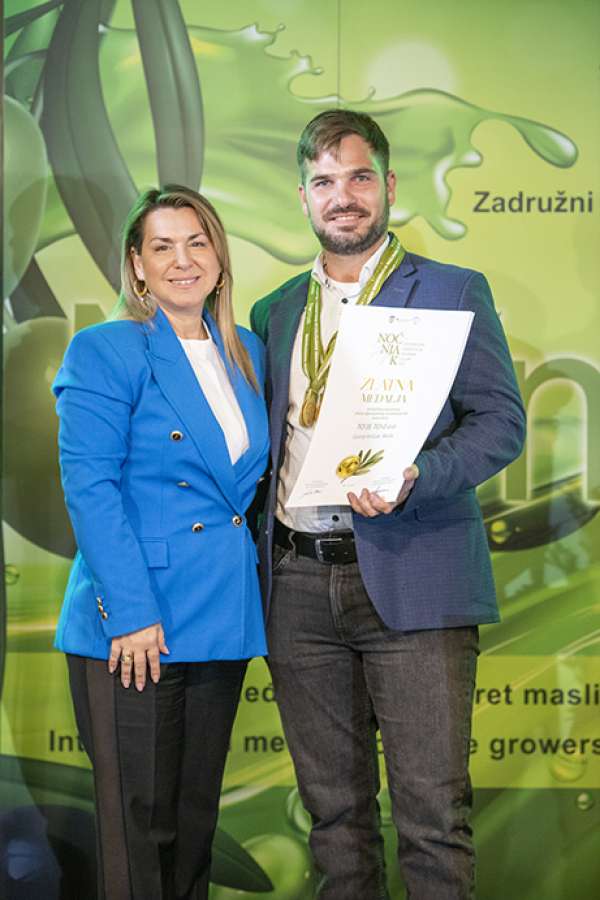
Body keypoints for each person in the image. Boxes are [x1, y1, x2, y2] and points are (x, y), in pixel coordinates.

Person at [251, 110, 526, 899]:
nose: (343, 196)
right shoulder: (275, 311)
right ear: (303, 197)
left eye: (359, 177)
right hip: (298, 586)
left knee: (432, 818)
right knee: (334, 819)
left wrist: (417, 473)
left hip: (415, 570)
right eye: (323, 182)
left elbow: (500, 423)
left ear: (390, 185)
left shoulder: (451, 290)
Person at [53, 185, 270, 900]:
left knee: (193, 826)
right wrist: (132, 612)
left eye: (197, 243)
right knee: (137, 833)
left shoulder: (248, 353)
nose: (183, 260)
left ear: (220, 258)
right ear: (137, 265)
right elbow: (90, 487)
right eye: (163, 246)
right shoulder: (106, 349)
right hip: (137, 623)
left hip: (220, 615)